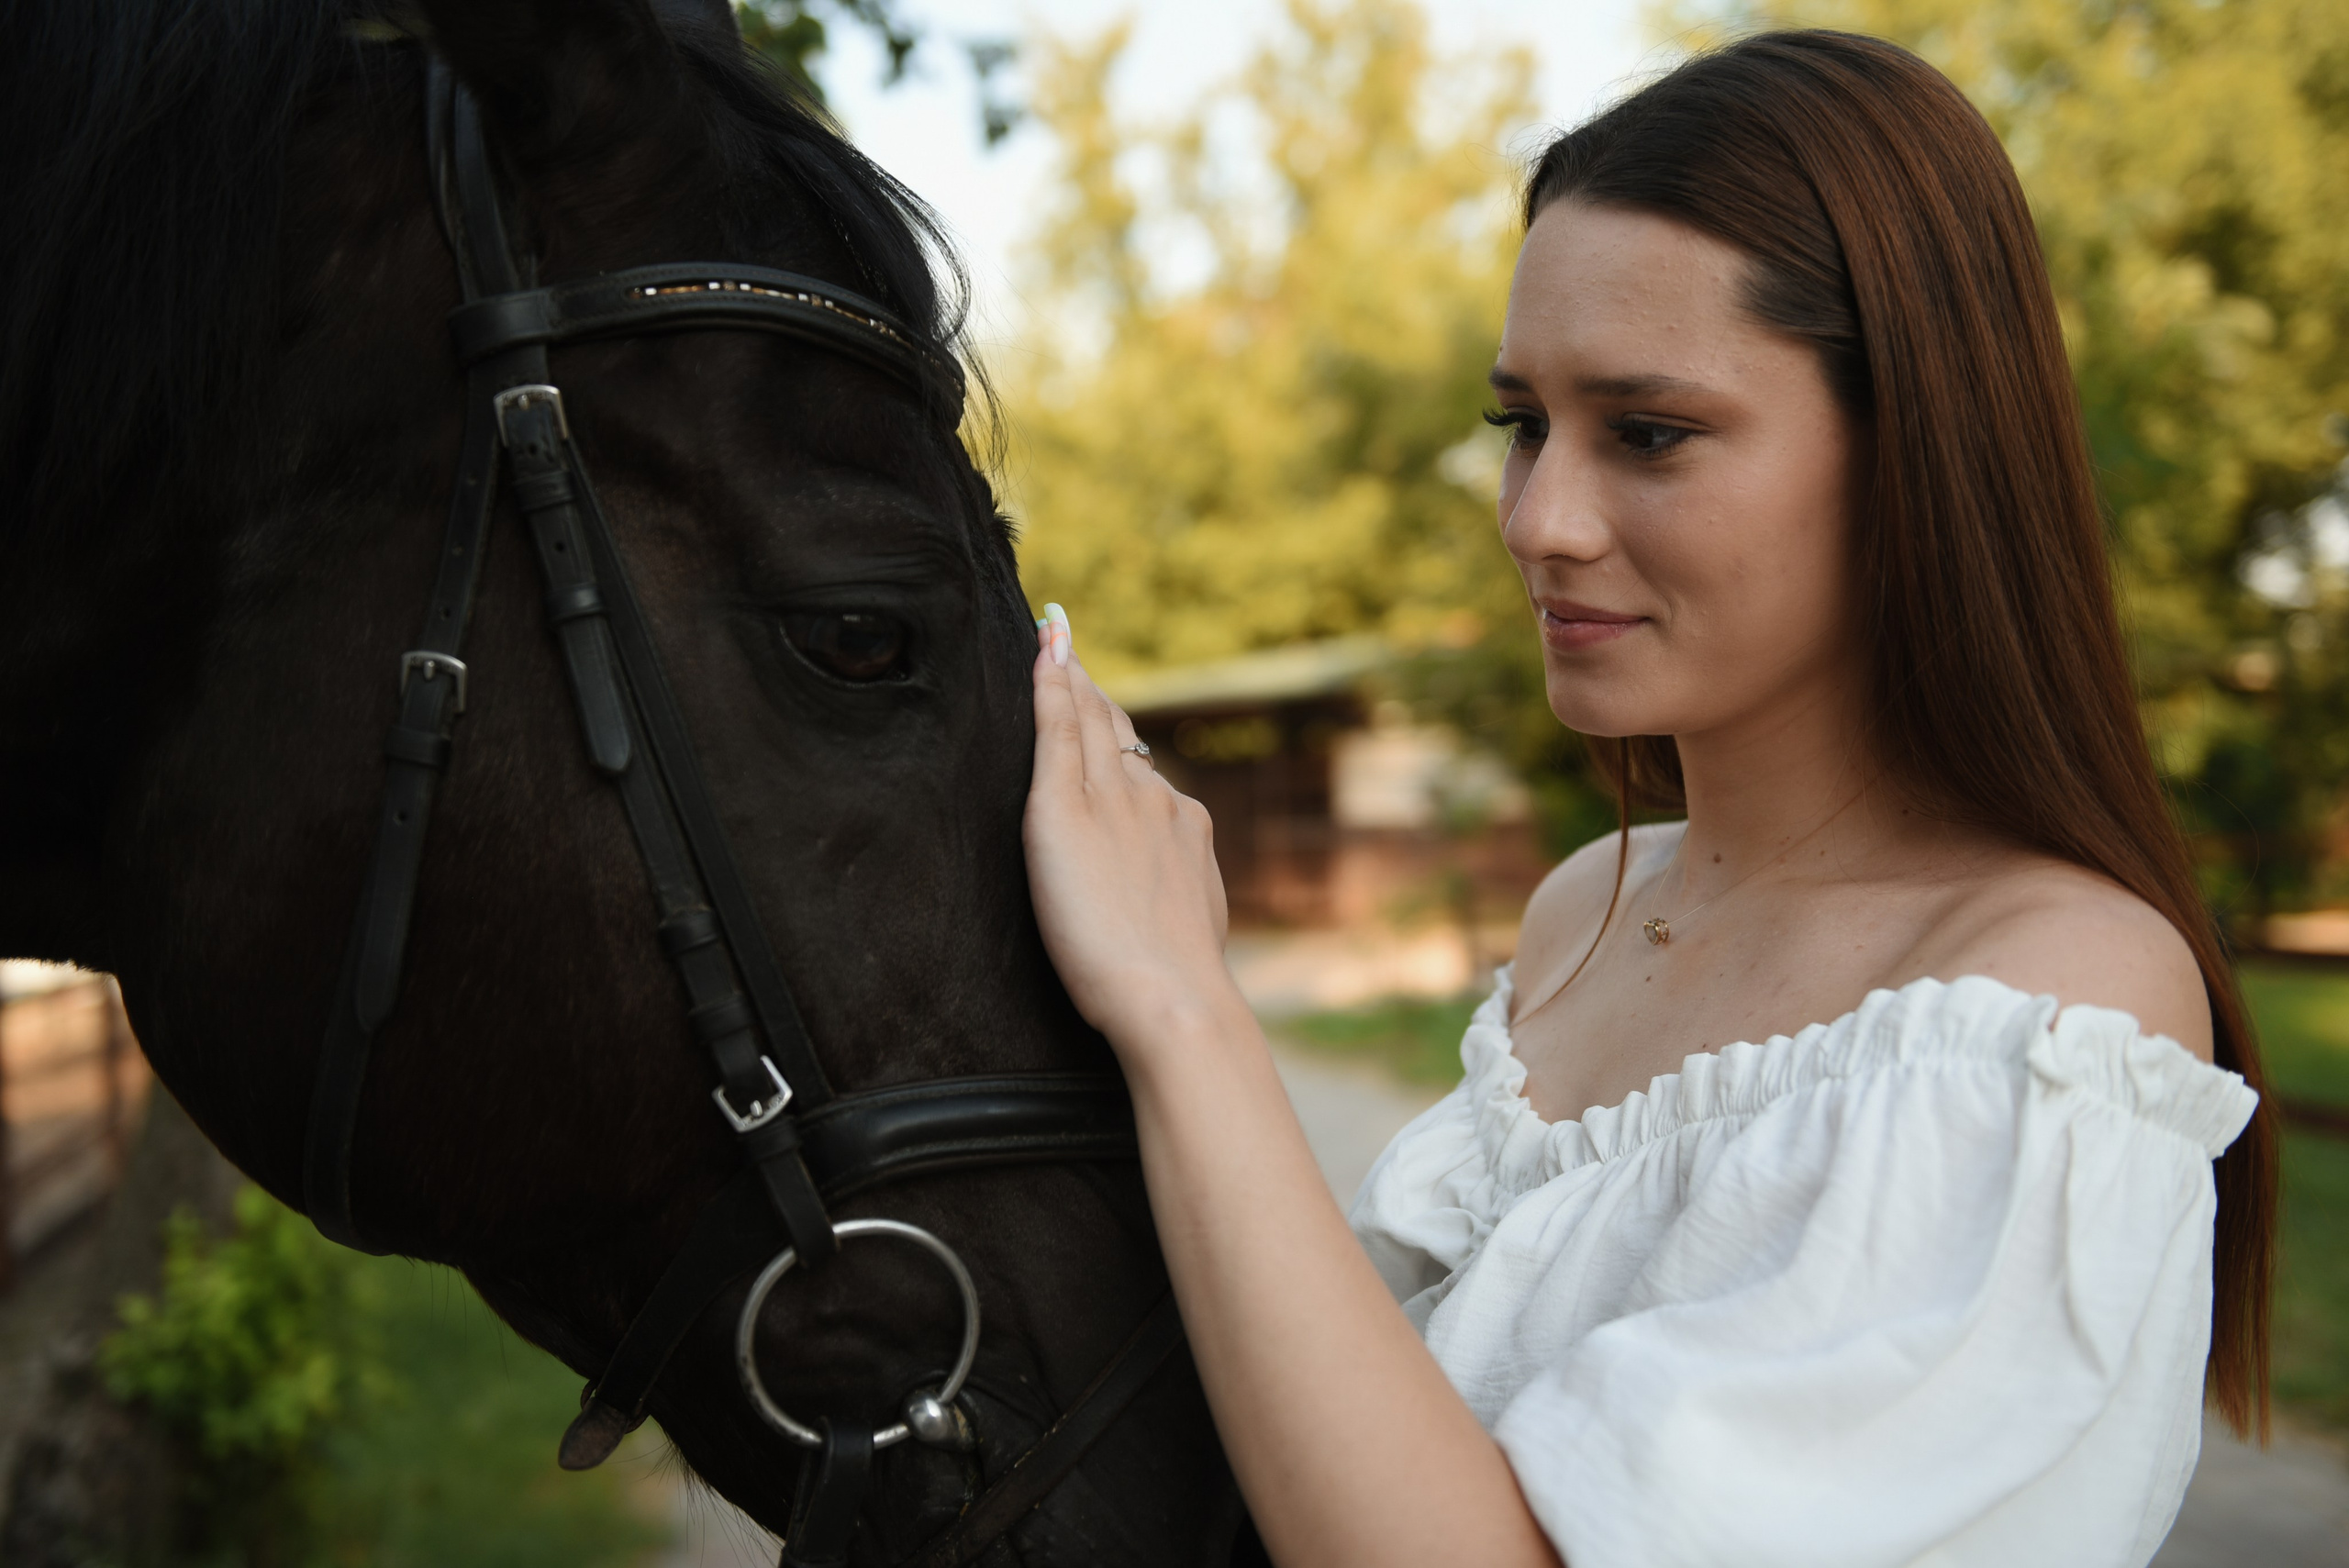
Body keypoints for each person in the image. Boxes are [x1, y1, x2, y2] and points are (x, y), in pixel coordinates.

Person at [1018, 29, 2273, 1568]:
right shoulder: (1584, 910)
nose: (1542, 517)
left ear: (1915, 452)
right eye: (1522, 424)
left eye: (1650, 431)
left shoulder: (2042, 1002)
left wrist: (1184, 1006)